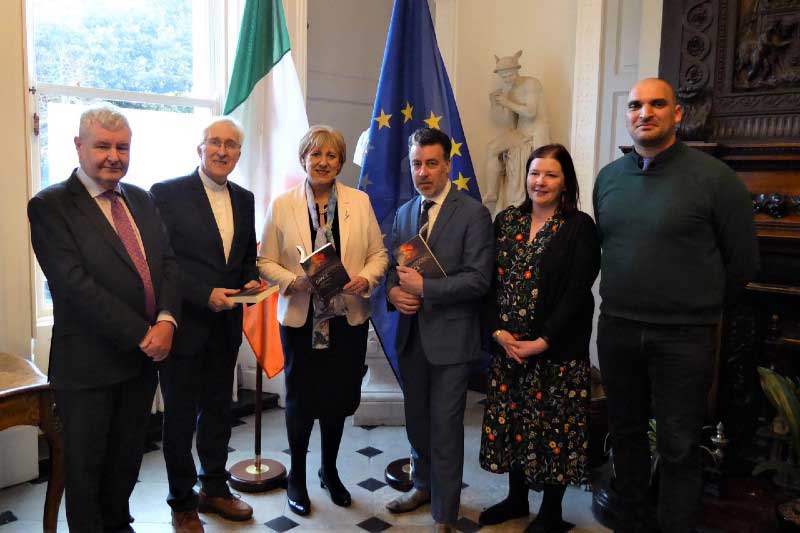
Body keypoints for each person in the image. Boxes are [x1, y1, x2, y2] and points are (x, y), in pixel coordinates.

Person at [593, 78, 758, 533]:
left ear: (676, 113)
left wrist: (692, 304)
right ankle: (631, 521)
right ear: (627, 115)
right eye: (635, 105)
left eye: (656, 104)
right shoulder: (609, 179)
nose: (644, 113)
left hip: (684, 337)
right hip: (618, 328)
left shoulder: (714, 179)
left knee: (679, 444)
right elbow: (611, 246)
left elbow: (743, 262)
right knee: (624, 434)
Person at [27, 103, 180, 532]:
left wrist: (167, 320)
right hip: (88, 369)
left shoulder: (142, 199)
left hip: (141, 365)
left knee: (127, 462)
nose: (114, 156)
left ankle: (120, 524)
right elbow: (74, 287)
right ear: (78, 146)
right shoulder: (50, 206)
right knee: (87, 473)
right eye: (102, 146)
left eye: (122, 147)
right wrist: (143, 334)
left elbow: (167, 264)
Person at [258, 125, 388, 516]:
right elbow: (264, 261)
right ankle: (296, 475)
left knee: (336, 399)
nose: (323, 162)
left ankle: (329, 471)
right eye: (316, 154)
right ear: (304, 159)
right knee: (300, 400)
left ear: (341, 162)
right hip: (302, 319)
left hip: (347, 318)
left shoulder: (359, 202)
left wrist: (367, 277)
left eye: (331, 156)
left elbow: (379, 254)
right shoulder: (282, 205)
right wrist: (294, 281)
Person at [478, 144, 600, 533]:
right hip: (508, 349)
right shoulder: (507, 221)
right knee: (514, 424)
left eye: (550, 174)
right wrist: (499, 332)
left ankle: (550, 512)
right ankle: (516, 500)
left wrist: (543, 341)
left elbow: (577, 293)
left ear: (565, 182)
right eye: (534, 173)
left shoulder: (579, 227)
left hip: (556, 353)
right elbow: (488, 283)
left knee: (554, 432)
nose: (540, 181)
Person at [150, 117, 258, 532]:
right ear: (199, 149)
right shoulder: (166, 193)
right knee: (178, 418)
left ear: (238, 154)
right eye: (214, 142)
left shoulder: (246, 198)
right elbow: (163, 262)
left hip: (226, 326)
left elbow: (246, 254)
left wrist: (248, 276)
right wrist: (203, 293)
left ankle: (214, 488)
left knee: (218, 412)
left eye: (231, 145)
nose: (222, 150)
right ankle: (182, 502)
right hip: (183, 326)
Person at [385, 127, 494, 533]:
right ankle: (422, 486)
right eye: (417, 164)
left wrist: (426, 288)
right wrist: (395, 293)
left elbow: (479, 280)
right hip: (411, 338)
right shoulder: (404, 213)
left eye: (432, 163)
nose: (423, 172)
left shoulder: (473, 214)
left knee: (446, 427)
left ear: (448, 165)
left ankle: (445, 514)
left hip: (451, 341)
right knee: (417, 421)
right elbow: (391, 275)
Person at [484, 50, 551, 216]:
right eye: (503, 77)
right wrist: (496, 105)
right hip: (520, 132)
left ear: (516, 71)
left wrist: (506, 102)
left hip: (536, 133)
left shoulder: (531, 84)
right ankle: (492, 192)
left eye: (509, 75)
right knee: (492, 148)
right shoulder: (509, 90)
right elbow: (508, 121)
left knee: (538, 166)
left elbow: (531, 112)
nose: (507, 80)